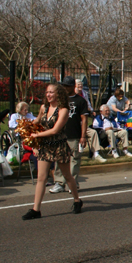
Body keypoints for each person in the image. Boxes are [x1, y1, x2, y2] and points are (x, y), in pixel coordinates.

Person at [22, 84, 82, 220]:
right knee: (41, 178)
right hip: (45, 146)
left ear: (58, 94)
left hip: (59, 146)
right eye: (47, 92)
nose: (48, 95)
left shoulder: (64, 110)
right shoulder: (44, 108)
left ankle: (77, 200)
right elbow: (37, 122)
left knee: (67, 176)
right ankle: (36, 209)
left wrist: (37, 136)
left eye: (51, 92)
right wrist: (27, 126)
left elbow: (55, 130)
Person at [50, 77, 90, 194]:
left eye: (67, 86)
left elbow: (84, 120)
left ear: (73, 86)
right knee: (59, 159)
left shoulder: (81, 101)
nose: (65, 88)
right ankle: (59, 182)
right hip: (61, 135)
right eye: (63, 86)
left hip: (75, 135)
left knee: (74, 160)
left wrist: (83, 136)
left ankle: (72, 183)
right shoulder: (60, 101)